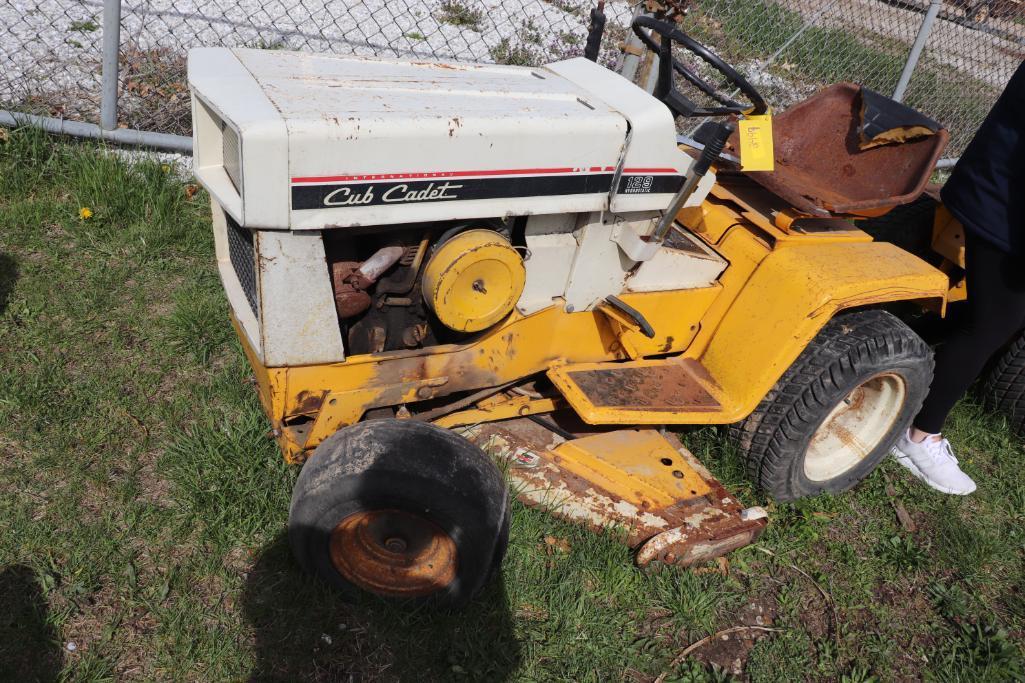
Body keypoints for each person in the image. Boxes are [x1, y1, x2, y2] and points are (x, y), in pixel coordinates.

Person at [891, 60, 1025, 495]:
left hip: (997, 192)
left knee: (976, 311)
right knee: (991, 325)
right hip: (1005, 207)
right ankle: (917, 434)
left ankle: (881, 352)